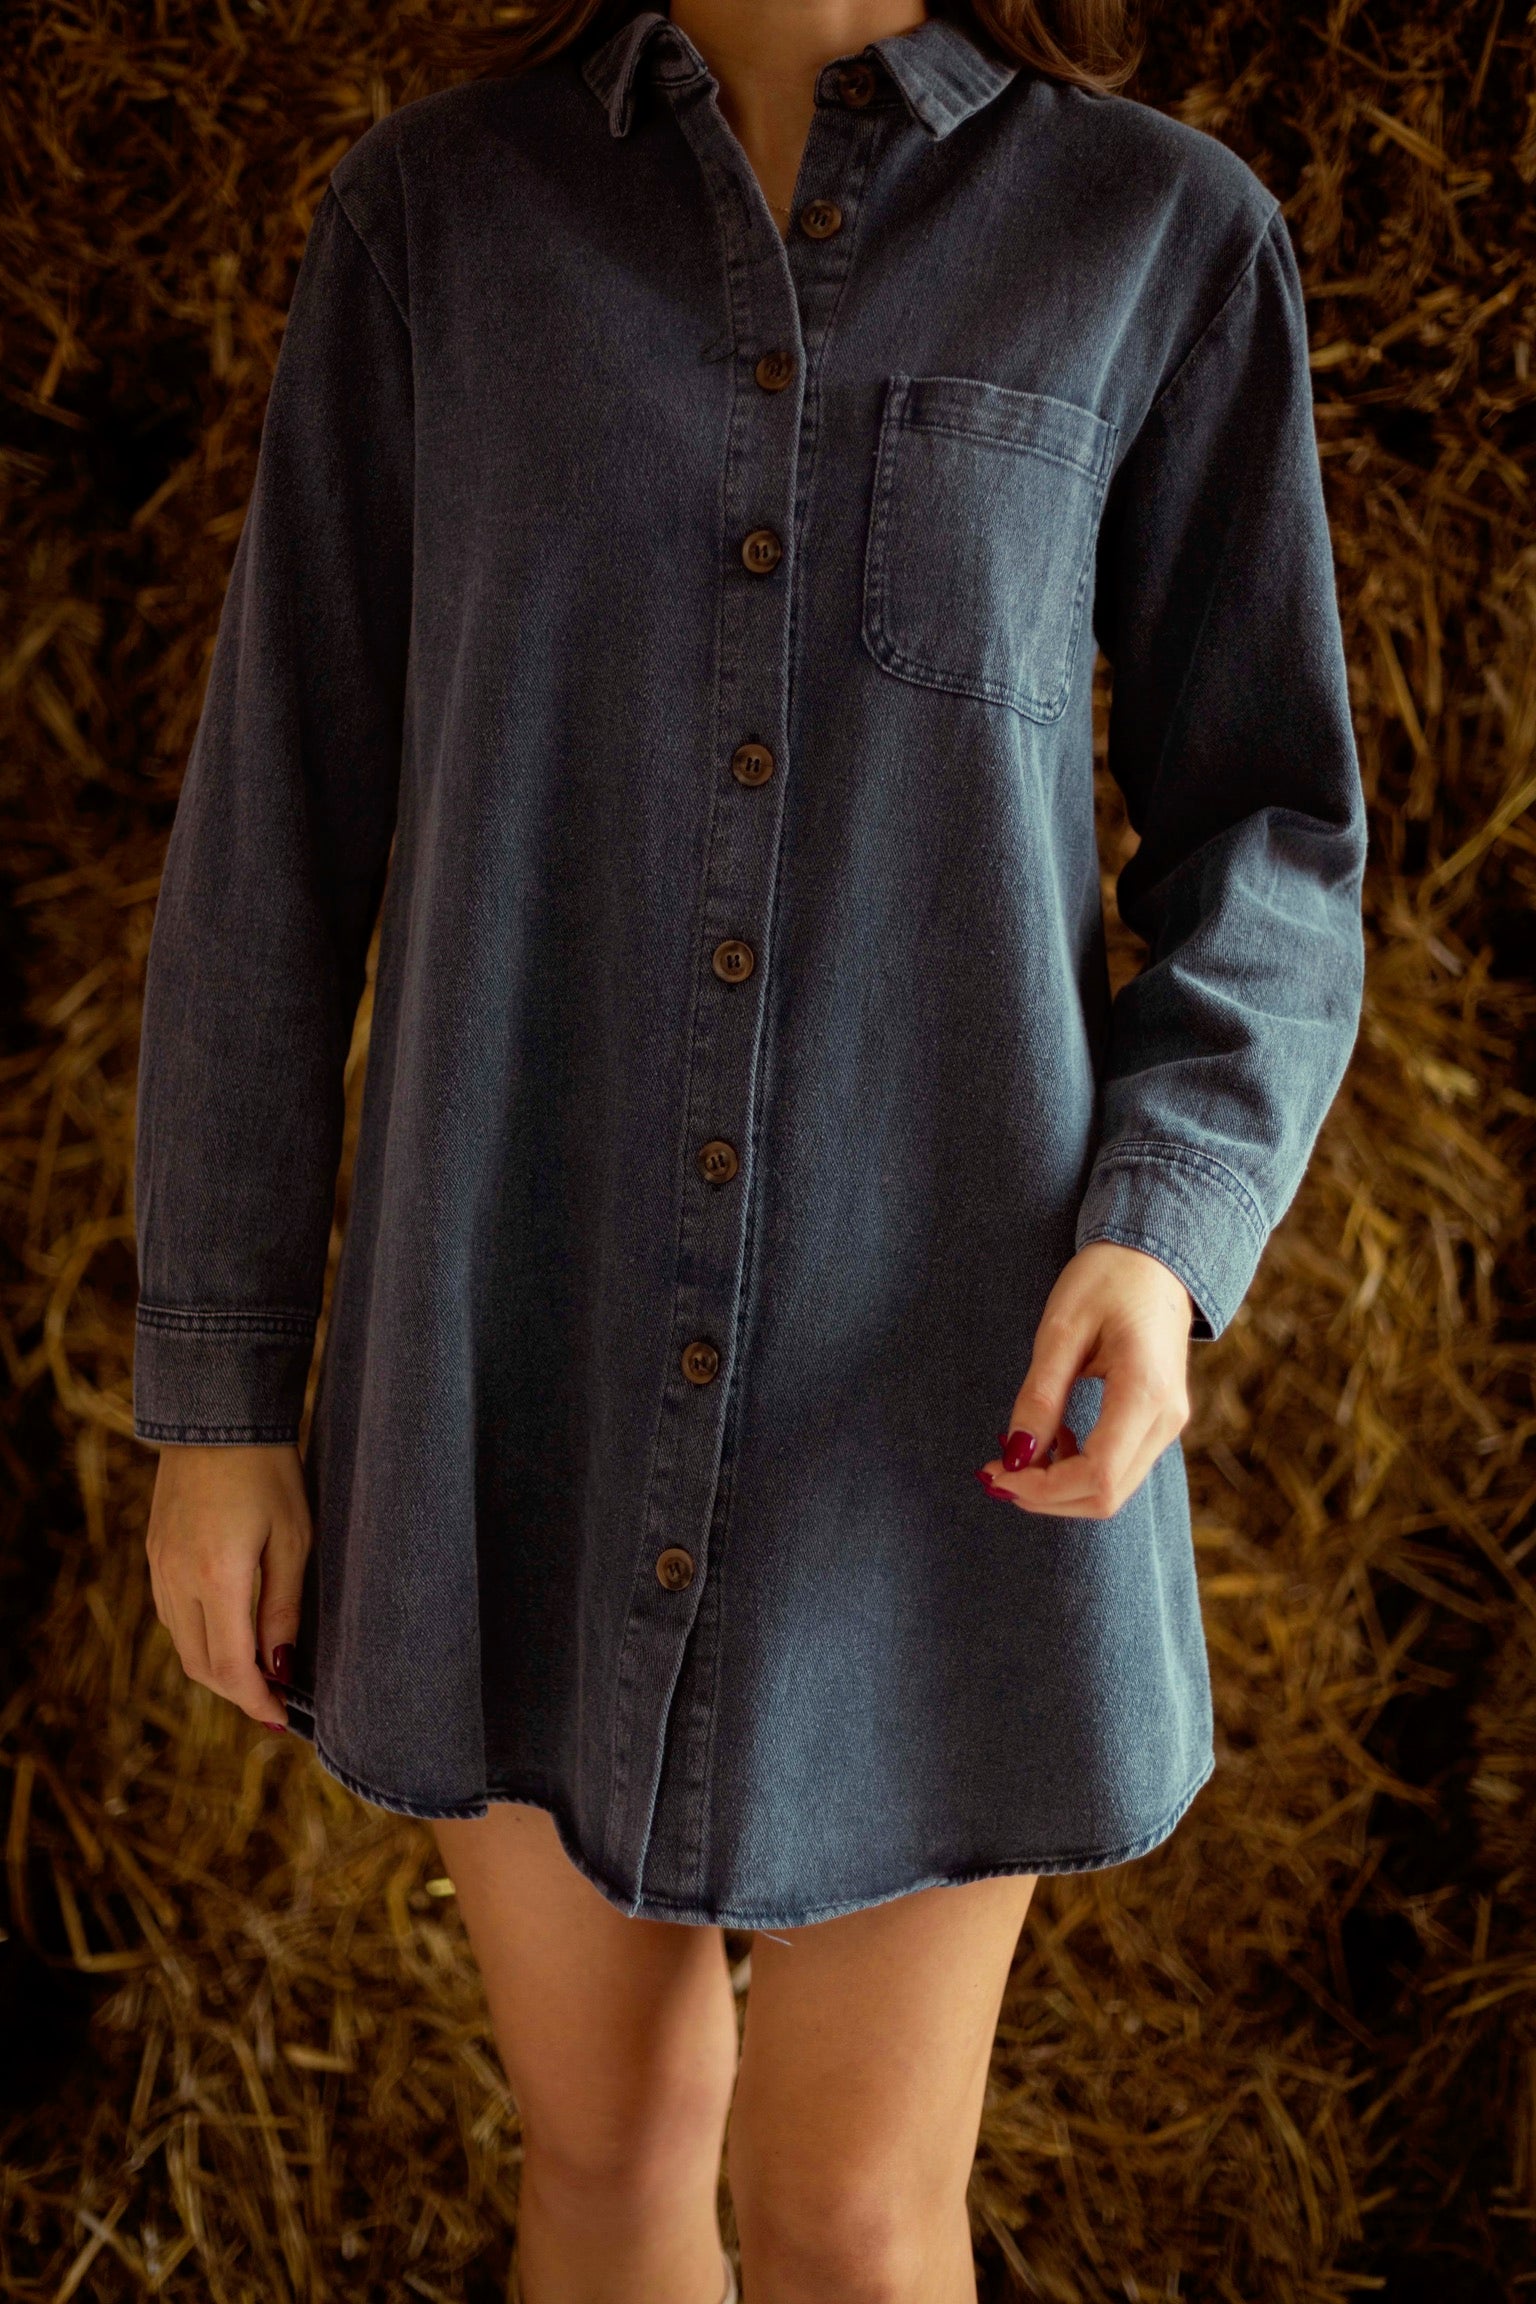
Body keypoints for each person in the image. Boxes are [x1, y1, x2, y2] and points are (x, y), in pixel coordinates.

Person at [132, 0, 1367, 2296]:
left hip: (940, 1383)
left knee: (856, 2217)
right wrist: (218, 1398)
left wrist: (1169, 1226)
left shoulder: (1155, 233)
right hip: (518, 1331)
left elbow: (1276, 834)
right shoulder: (436, 222)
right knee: (607, 2144)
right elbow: (274, 822)